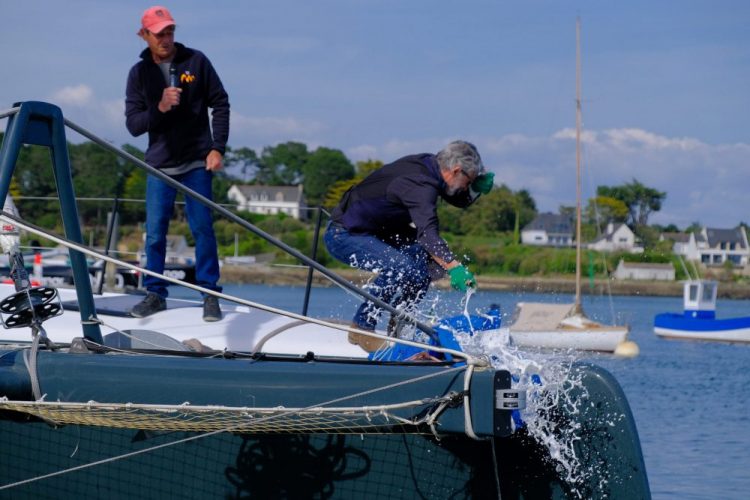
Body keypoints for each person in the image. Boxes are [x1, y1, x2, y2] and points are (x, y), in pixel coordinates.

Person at [324, 141, 494, 350]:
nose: (467, 188)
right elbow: (428, 235)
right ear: (456, 170)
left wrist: (474, 190)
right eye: (469, 181)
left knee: (429, 266)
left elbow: (455, 194)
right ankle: (361, 328)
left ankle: (399, 326)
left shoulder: (432, 167)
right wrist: (455, 267)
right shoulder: (420, 185)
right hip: (345, 234)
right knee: (401, 268)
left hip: (378, 232)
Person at [125, 6, 229, 321]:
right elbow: (133, 124)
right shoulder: (138, 74)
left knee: (202, 229)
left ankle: (210, 294)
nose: (166, 39)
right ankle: (155, 294)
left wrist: (217, 148)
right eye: (159, 34)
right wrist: (160, 107)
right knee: (155, 233)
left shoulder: (196, 61)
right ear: (144, 35)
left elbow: (220, 103)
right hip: (159, 166)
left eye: (170, 31)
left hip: (198, 162)